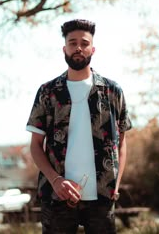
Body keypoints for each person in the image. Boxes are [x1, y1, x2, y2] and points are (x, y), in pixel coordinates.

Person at [26, 19, 132, 234]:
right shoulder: (48, 92)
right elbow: (36, 145)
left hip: (102, 197)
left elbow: (121, 144)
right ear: (64, 49)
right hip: (57, 198)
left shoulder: (113, 91)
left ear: (93, 49)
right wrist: (56, 181)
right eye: (72, 43)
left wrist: (116, 186)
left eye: (84, 43)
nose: (78, 48)